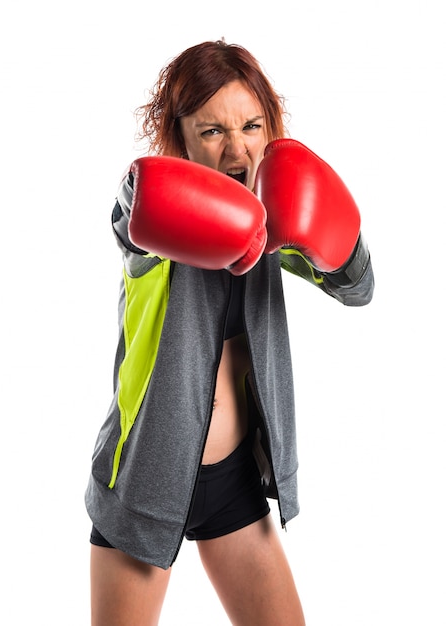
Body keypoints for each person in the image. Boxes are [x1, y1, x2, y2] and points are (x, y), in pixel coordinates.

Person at [85, 40, 374, 626]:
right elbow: (127, 220)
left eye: (251, 125)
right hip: (148, 483)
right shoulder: (157, 226)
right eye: (211, 131)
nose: (237, 148)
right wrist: (141, 194)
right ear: (181, 138)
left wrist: (334, 240)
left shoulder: (272, 228)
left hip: (232, 485)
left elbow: (358, 289)